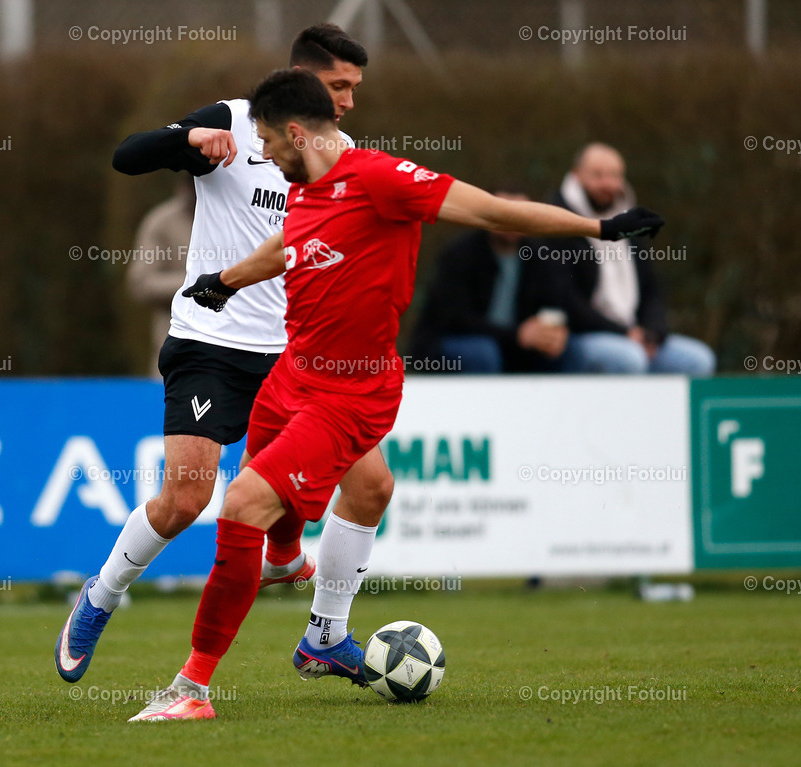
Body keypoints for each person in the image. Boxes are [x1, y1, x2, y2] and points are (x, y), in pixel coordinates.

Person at [126, 68, 664, 721]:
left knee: (240, 504)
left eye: (268, 141)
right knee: (343, 496)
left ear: (296, 132)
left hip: (350, 392)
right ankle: (315, 624)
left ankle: (193, 688)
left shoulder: (380, 179)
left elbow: (493, 209)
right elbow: (287, 246)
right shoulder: (303, 189)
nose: (262, 154)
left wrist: (598, 230)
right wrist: (227, 280)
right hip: (293, 373)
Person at [54, 25, 392, 685]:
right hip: (211, 345)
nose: (349, 102)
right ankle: (100, 595)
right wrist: (185, 141)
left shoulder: (343, 151)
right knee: (184, 500)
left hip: (300, 354)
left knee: (373, 483)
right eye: (340, 86)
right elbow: (128, 155)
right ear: (302, 78)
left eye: (355, 88)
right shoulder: (234, 123)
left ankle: (326, 633)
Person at [535, 143, 716, 375]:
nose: (608, 184)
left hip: (634, 334)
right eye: (598, 175)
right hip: (580, 336)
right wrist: (624, 334)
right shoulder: (557, 221)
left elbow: (651, 288)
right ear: (576, 175)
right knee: (629, 359)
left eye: (614, 175)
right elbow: (564, 298)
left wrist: (652, 333)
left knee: (698, 360)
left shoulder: (630, 221)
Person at [410, 190, 567, 373]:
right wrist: (516, 335)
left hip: (519, 349)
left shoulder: (541, 256)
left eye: (521, 215)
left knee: (572, 351)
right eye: (504, 214)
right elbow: (454, 318)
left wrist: (555, 333)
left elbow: (558, 302)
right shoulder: (460, 253)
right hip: (453, 344)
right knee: (483, 353)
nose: (512, 222)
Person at [126, 176, 194, 377]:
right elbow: (140, 283)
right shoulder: (162, 222)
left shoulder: (235, 220)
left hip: (232, 350)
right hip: (174, 351)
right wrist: (197, 283)